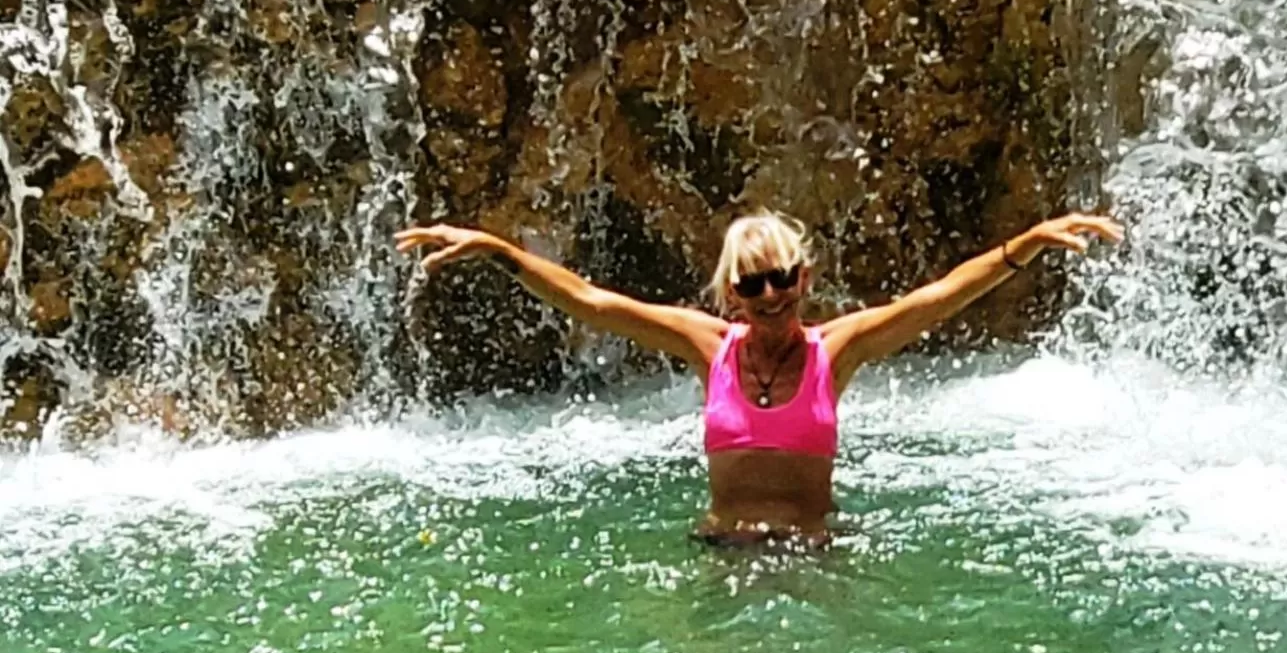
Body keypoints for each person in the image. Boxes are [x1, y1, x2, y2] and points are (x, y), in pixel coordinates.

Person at [395, 210, 1122, 543]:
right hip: (720, 550)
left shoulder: (838, 349)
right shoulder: (707, 345)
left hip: (815, 555)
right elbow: (592, 301)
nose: (770, 294)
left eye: (781, 277)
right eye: (751, 284)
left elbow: (936, 299)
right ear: (730, 294)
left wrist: (1024, 245)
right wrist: (498, 250)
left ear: (804, 277)